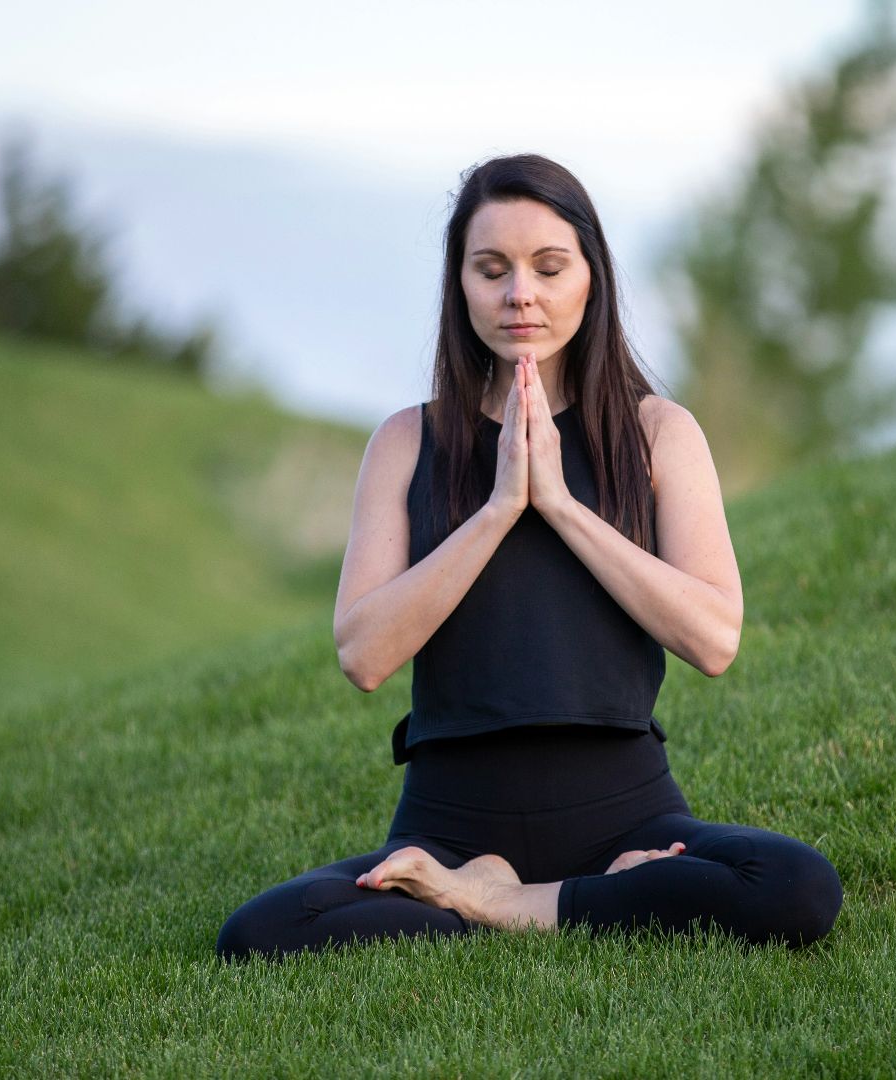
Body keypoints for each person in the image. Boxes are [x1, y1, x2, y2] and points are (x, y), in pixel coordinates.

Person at [214, 154, 842, 961]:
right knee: (260, 934)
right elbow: (363, 654)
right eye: (492, 269)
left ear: (591, 277)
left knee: (796, 886)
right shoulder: (406, 442)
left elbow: (715, 639)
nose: (521, 294)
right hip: (450, 825)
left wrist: (561, 505)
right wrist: (502, 504)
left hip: (629, 814)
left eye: (549, 267)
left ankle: (502, 904)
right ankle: (555, 895)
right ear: (460, 284)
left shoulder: (659, 434)